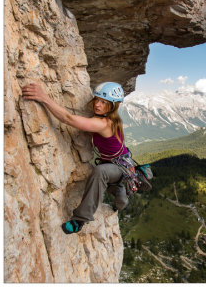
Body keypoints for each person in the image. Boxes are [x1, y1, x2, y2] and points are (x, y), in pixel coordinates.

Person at [22, 81, 129, 234]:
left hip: (118, 166)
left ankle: (80, 219)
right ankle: (121, 196)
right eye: (97, 99)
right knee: (120, 198)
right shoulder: (110, 119)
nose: (98, 105)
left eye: (104, 102)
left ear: (112, 107)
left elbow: (68, 119)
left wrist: (44, 98)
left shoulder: (104, 123)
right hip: (119, 162)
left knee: (101, 172)